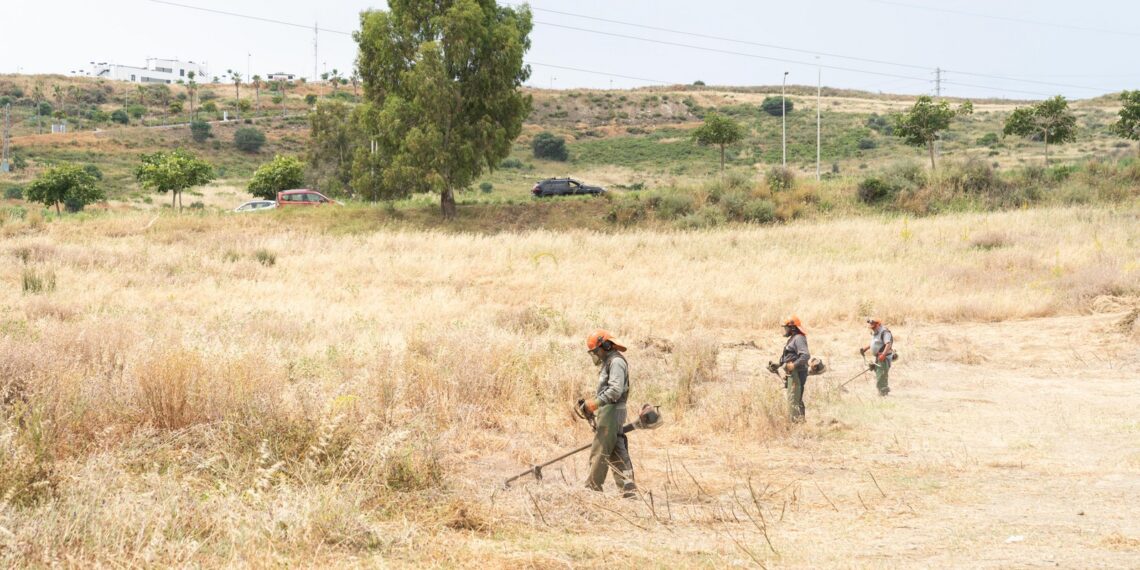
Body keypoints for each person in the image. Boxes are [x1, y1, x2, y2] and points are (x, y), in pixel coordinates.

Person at [580, 329, 637, 498]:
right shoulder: (610, 361)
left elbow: (615, 389)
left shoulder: (616, 362)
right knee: (617, 451)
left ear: (605, 345)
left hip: (612, 410)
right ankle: (629, 490)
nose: (595, 355)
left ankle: (592, 489)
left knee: (600, 450)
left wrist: (595, 404)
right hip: (610, 410)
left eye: (596, 351)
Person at [771, 315, 810, 422]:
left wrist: (793, 365)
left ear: (792, 328)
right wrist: (778, 365)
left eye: (786, 327)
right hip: (793, 373)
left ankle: (797, 423)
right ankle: (799, 421)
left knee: (795, 399)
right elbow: (790, 356)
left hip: (798, 373)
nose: (785, 330)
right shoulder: (793, 338)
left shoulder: (799, 338)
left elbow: (805, 355)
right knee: (794, 398)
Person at [860, 318, 893, 396]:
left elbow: (888, 344)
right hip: (878, 357)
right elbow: (875, 343)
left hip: (884, 357)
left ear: (878, 324)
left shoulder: (885, 332)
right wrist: (865, 349)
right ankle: (882, 392)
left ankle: (883, 393)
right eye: (871, 327)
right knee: (879, 374)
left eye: (874, 327)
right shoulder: (876, 332)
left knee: (882, 375)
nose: (872, 328)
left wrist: (883, 354)